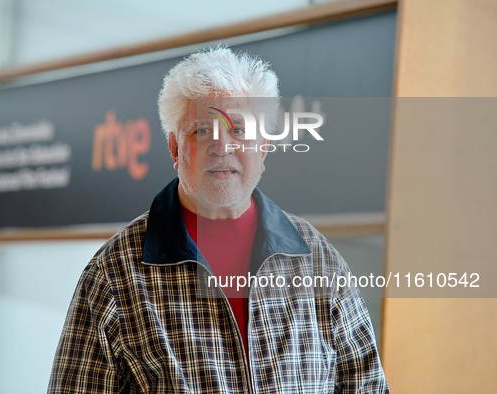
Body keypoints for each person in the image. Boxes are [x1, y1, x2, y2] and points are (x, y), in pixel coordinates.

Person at [48, 47, 389, 393]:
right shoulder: (114, 273)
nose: (221, 147)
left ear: (264, 147)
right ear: (175, 149)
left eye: (238, 129)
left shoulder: (319, 261)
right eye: (202, 130)